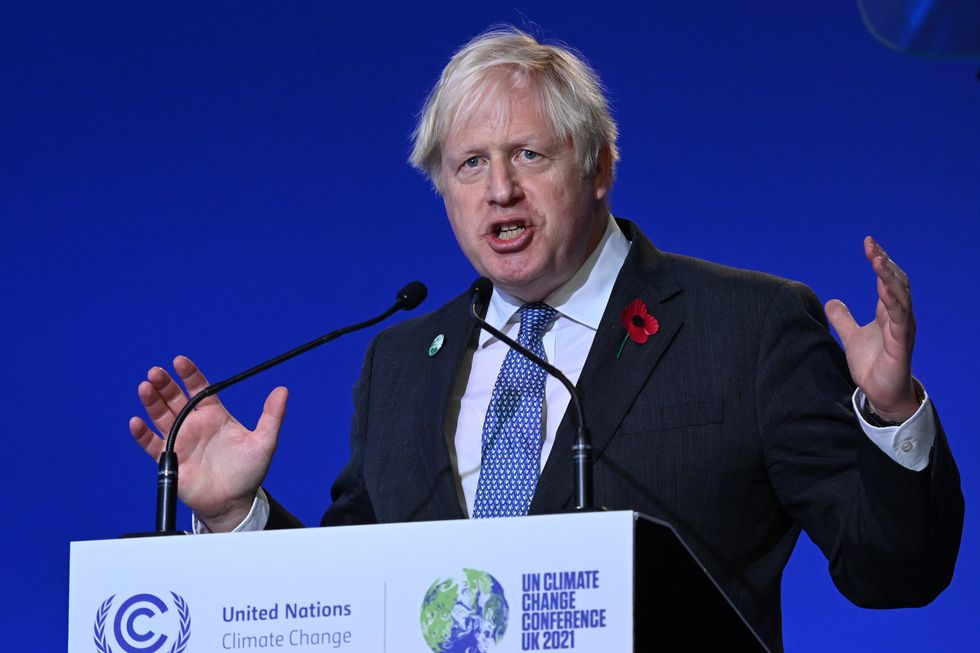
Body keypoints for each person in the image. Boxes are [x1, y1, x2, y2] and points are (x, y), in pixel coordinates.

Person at [129, 27, 962, 652]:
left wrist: (890, 418)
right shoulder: (397, 366)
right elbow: (356, 601)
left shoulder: (746, 327)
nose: (500, 192)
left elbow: (895, 572)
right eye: (469, 165)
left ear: (598, 167)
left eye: (529, 154)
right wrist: (239, 513)